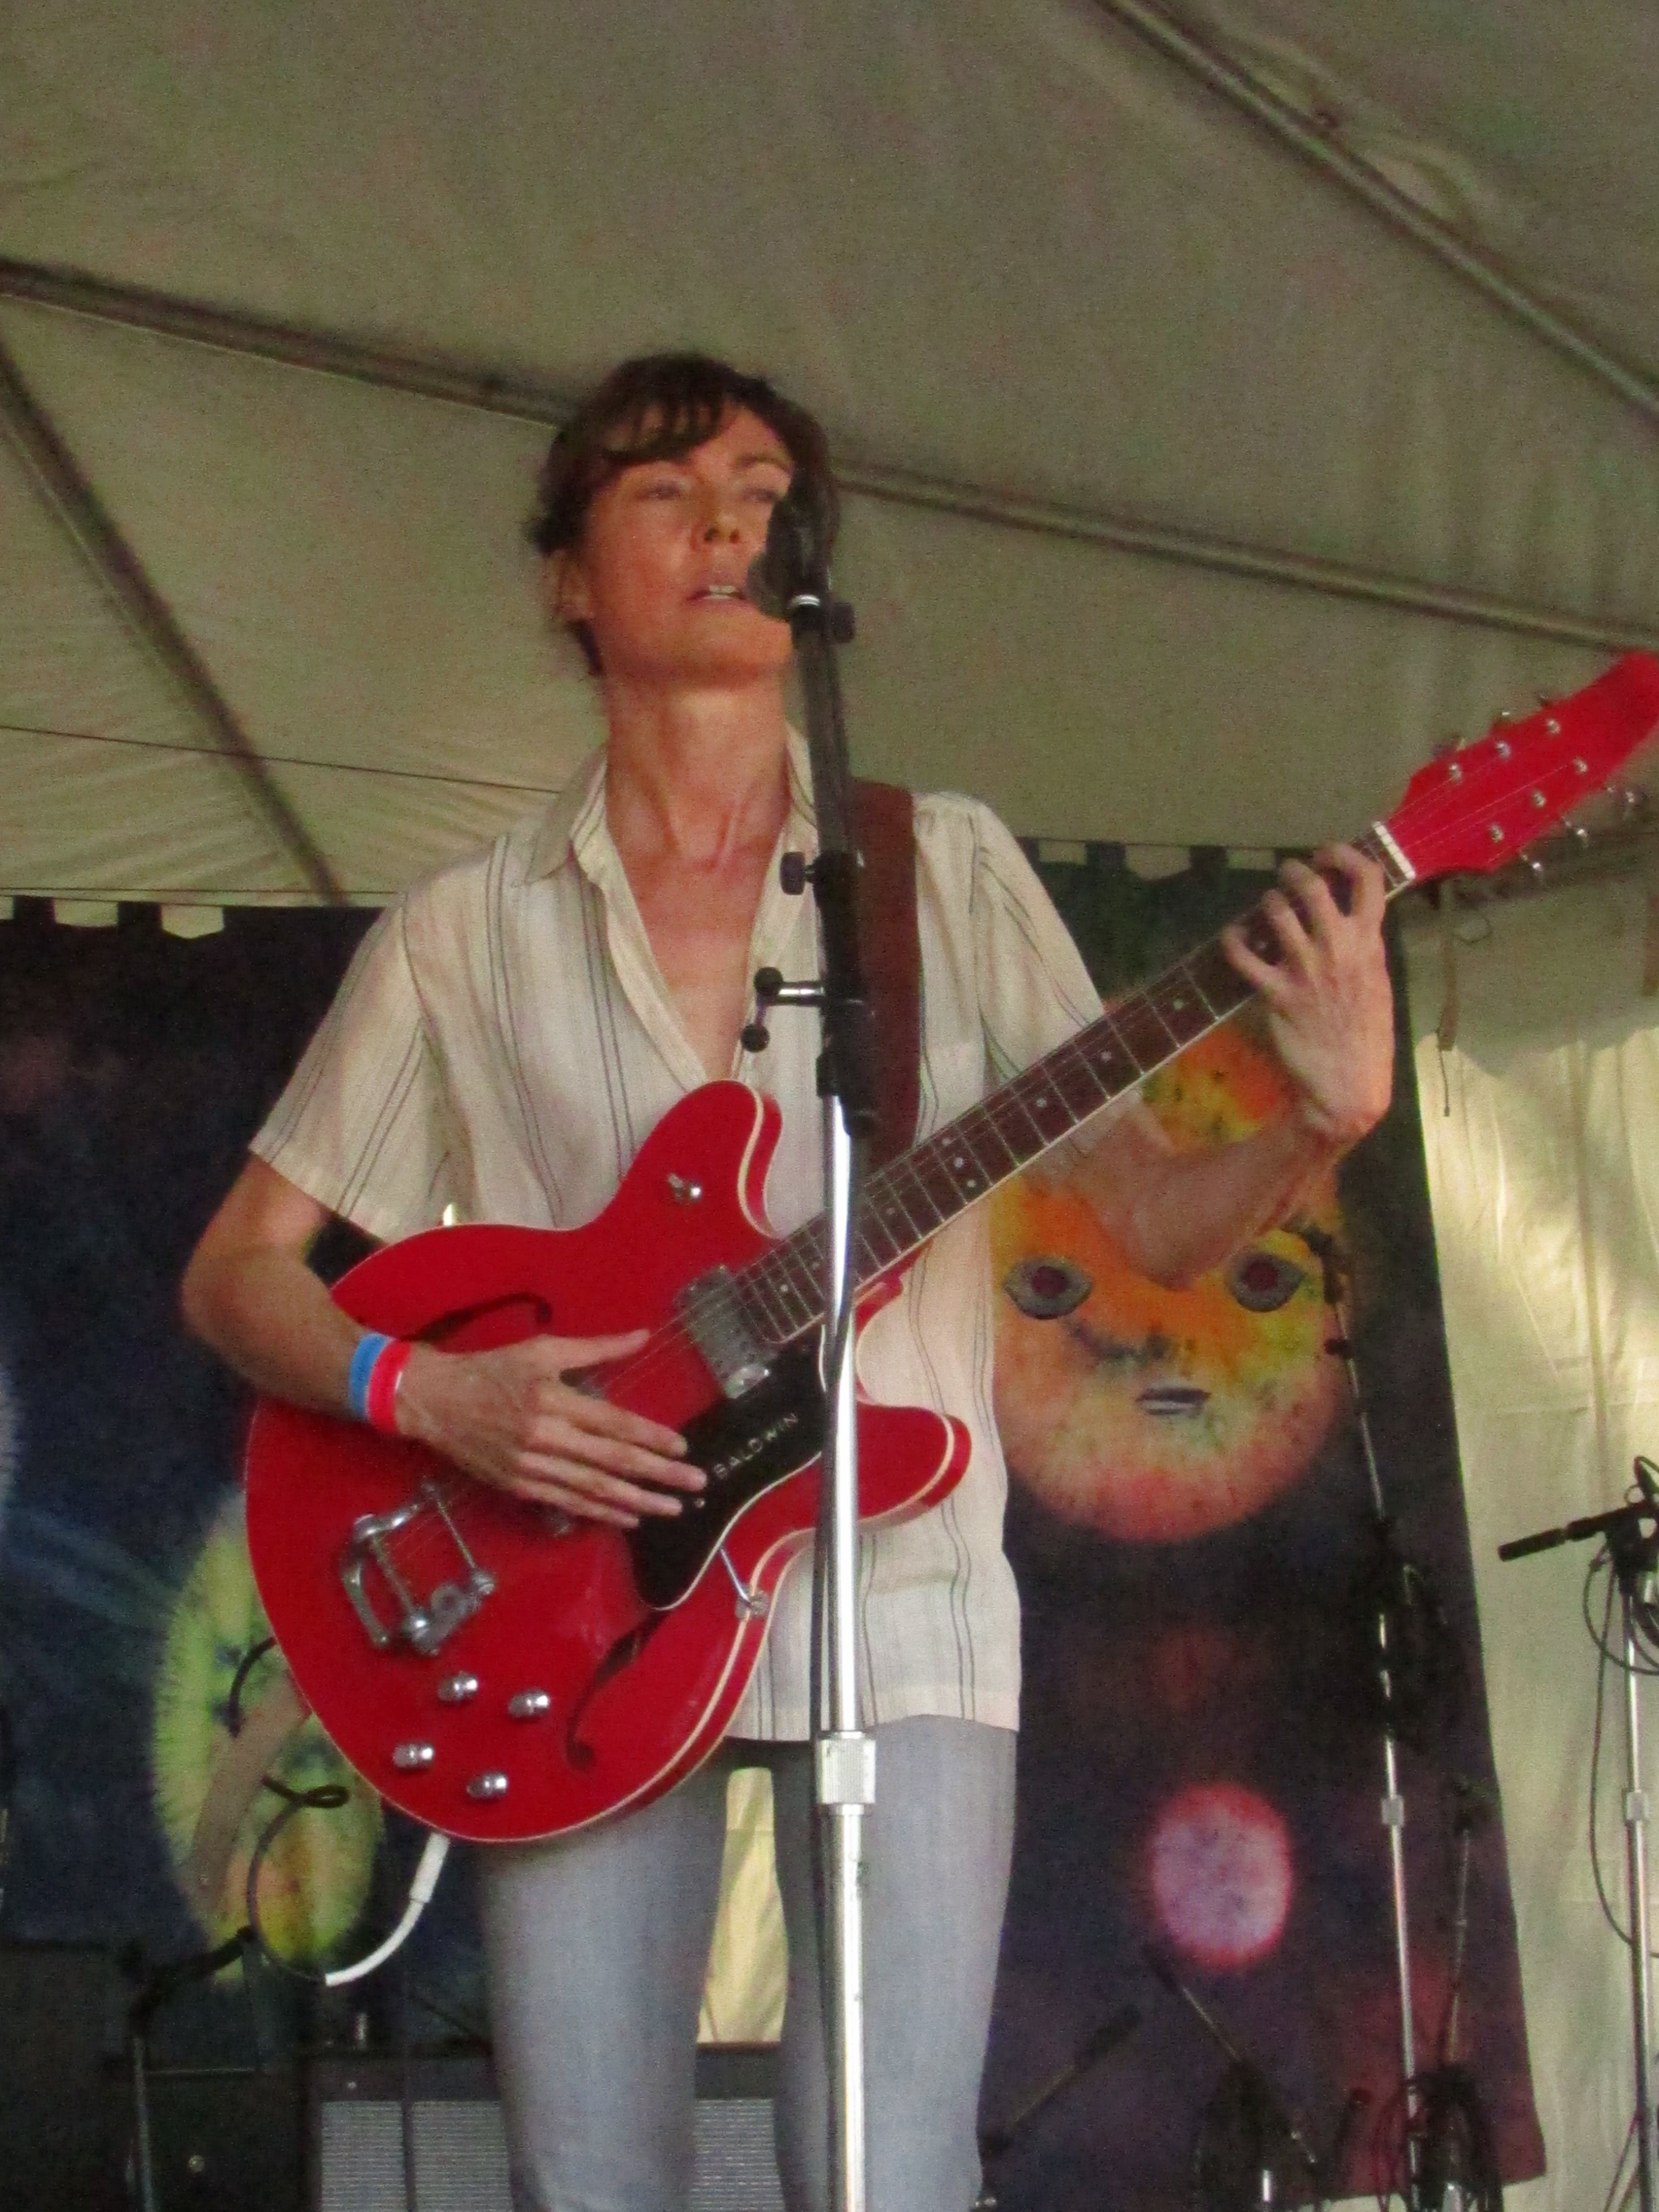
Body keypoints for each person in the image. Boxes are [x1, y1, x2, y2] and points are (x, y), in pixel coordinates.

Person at [180, 353, 1395, 2212]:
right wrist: (429, 1393)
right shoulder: (461, 934)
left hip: (897, 1596)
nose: (729, 525)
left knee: (888, 2177)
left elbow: (1154, 1227)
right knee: (592, 2177)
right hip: (567, 1609)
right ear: (567, 578)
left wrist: (1323, 1115)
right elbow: (239, 1278)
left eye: (762, 493)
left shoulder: (934, 869)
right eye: (667, 490)